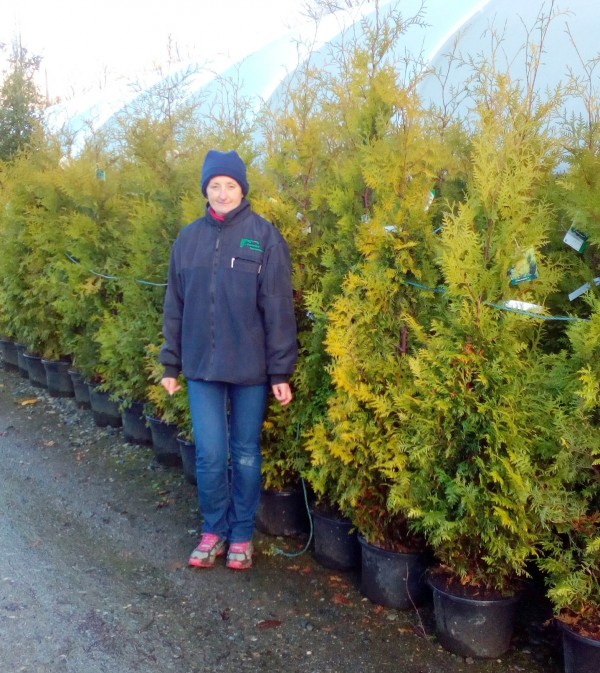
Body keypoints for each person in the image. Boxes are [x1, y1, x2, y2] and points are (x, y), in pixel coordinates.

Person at [159, 149, 298, 570]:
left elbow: (277, 307)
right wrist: (171, 363)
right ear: (206, 189)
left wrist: (280, 370)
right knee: (210, 453)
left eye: (230, 185)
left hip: (250, 369)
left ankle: (240, 535)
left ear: (242, 189)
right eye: (214, 185)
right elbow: (174, 303)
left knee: (245, 453)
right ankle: (213, 531)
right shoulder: (188, 239)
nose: (222, 193)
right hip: (201, 366)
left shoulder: (264, 237)